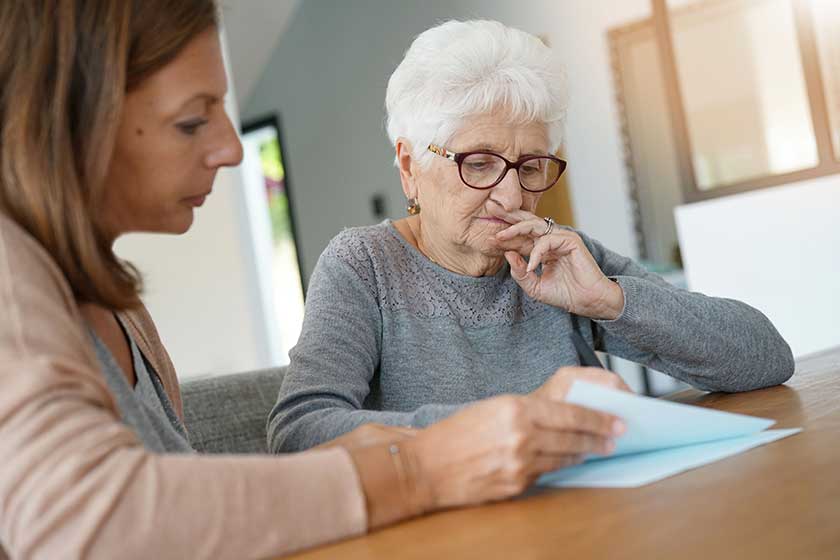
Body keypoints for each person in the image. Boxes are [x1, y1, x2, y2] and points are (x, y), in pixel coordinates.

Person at [0, 4, 627, 559]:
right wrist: (423, 467)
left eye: (529, 165)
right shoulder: (11, 272)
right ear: (70, 120)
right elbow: (83, 517)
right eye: (193, 120)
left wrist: (617, 301)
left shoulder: (117, 302)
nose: (232, 148)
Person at [267, 19, 795, 454]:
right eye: (478, 164)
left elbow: (767, 358)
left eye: (531, 166)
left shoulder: (556, 253)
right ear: (410, 166)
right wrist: (525, 418)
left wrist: (611, 301)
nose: (512, 198)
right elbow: (300, 434)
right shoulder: (365, 265)